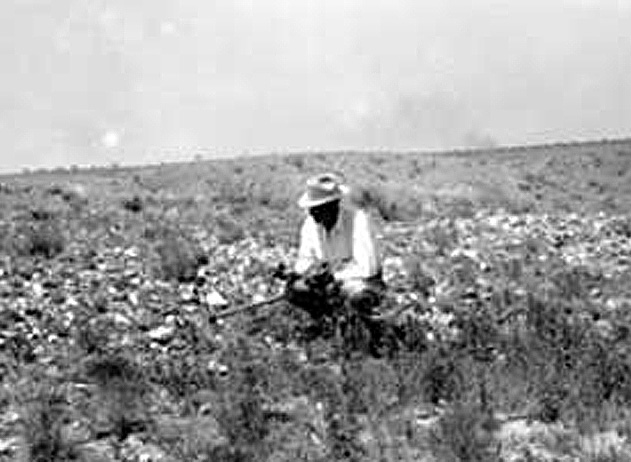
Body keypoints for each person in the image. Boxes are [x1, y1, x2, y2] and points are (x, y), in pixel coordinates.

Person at [285, 173, 385, 319]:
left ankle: (361, 329)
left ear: (333, 205)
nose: (312, 213)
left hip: (360, 282)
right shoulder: (310, 224)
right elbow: (306, 258)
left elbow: (367, 268)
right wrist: (295, 274)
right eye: (311, 208)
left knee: (358, 298)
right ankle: (326, 321)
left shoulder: (358, 221)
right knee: (294, 291)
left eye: (317, 208)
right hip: (328, 282)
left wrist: (335, 277)